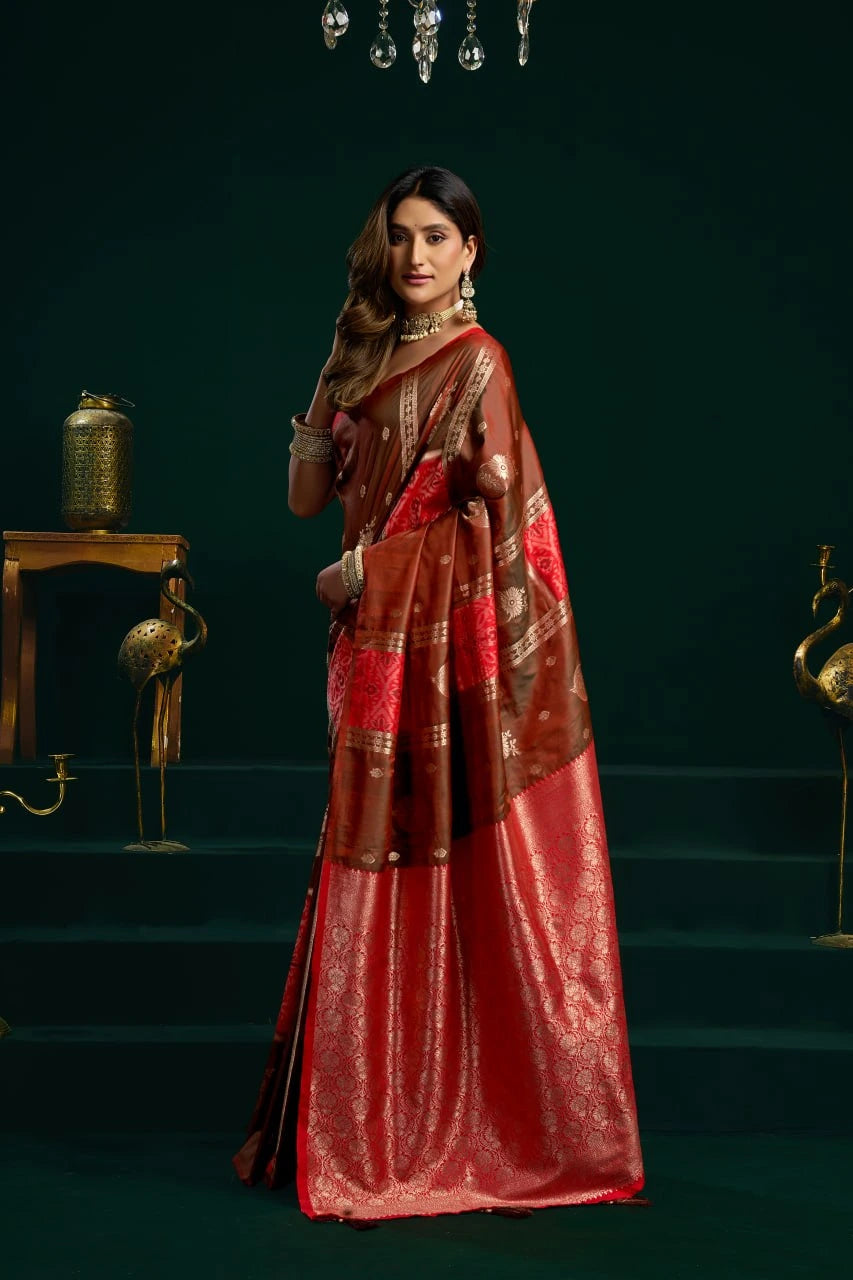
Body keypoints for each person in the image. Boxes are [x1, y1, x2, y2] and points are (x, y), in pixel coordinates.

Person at [233, 165, 644, 1222]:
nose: (416, 257)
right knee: (367, 840)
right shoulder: (362, 355)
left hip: (424, 636)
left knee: (436, 853)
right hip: (363, 649)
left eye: (437, 239)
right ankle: (367, 1108)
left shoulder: (481, 366)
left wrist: (369, 573)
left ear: (471, 255)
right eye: (402, 238)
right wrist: (326, 388)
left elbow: (493, 533)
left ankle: (450, 1119)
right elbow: (305, 498)